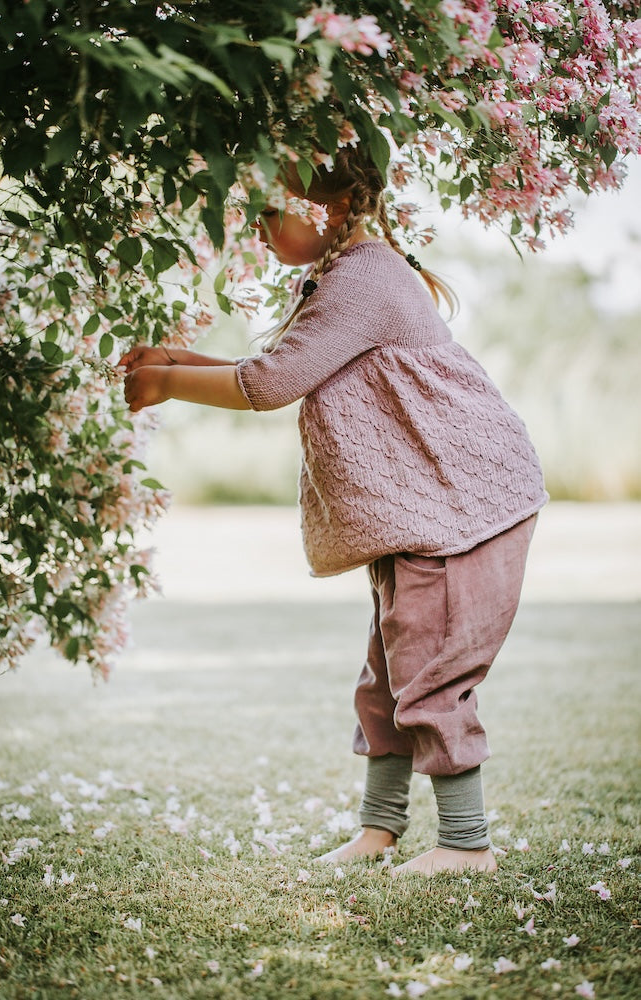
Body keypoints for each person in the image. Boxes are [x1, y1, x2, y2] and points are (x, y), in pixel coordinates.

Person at [119, 144, 548, 876]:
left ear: (337, 208)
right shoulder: (341, 275)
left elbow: (273, 380)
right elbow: (282, 364)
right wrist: (176, 361)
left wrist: (168, 383)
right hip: (422, 505)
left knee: (429, 668)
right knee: (386, 674)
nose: (256, 226)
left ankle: (466, 843)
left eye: (269, 210)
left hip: (461, 500)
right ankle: (379, 830)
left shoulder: (367, 275)